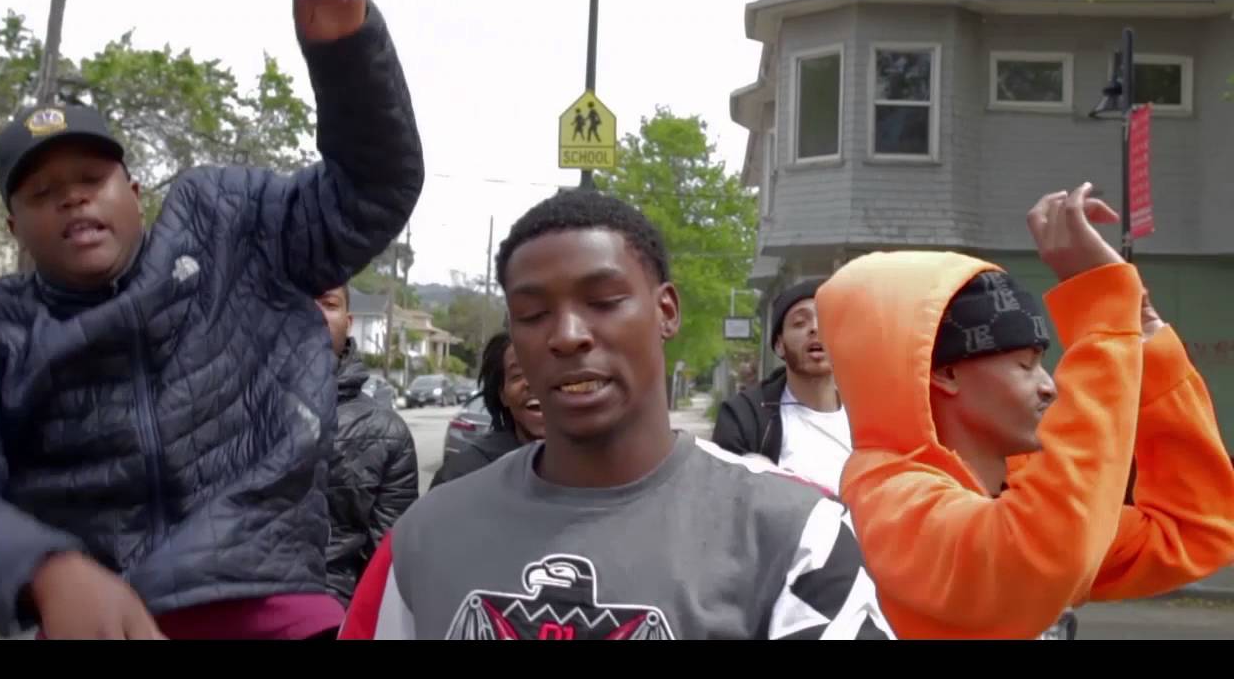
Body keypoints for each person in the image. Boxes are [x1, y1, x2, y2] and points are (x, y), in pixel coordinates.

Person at [0, 0, 423, 640]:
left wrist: (346, 49)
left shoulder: (229, 225)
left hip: (266, 597)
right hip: (93, 616)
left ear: (133, 193)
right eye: (43, 192)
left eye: (92, 178)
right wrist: (41, 568)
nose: (73, 198)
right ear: (14, 227)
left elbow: (371, 190)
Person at [338, 189, 893, 640]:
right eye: (532, 313)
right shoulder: (425, 537)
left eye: (603, 302)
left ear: (665, 311)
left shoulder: (796, 536)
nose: (567, 335)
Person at [815, 182, 1234, 639]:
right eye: (1025, 365)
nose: (1049, 386)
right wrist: (1102, 319)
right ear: (945, 373)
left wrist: (1141, 330)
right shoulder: (885, 502)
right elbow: (1038, 556)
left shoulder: (1009, 493)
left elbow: (1194, 528)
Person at [315, 285, 418, 607]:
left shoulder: (387, 434)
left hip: (334, 615)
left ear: (348, 322)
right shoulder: (223, 411)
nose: (314, 313)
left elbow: (386, 568)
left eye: (328, 303)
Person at [713, 278, 851, 494]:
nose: (815, 328)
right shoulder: (744, 417)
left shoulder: (870, 415)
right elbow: (723, 499)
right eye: (800, 322)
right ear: (779, 345)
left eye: (825, 320)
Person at [430, 331, 545, 489]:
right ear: (502, 395)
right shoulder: (462, 476)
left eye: (548, 369)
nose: (534, 383)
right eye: (518, 375)